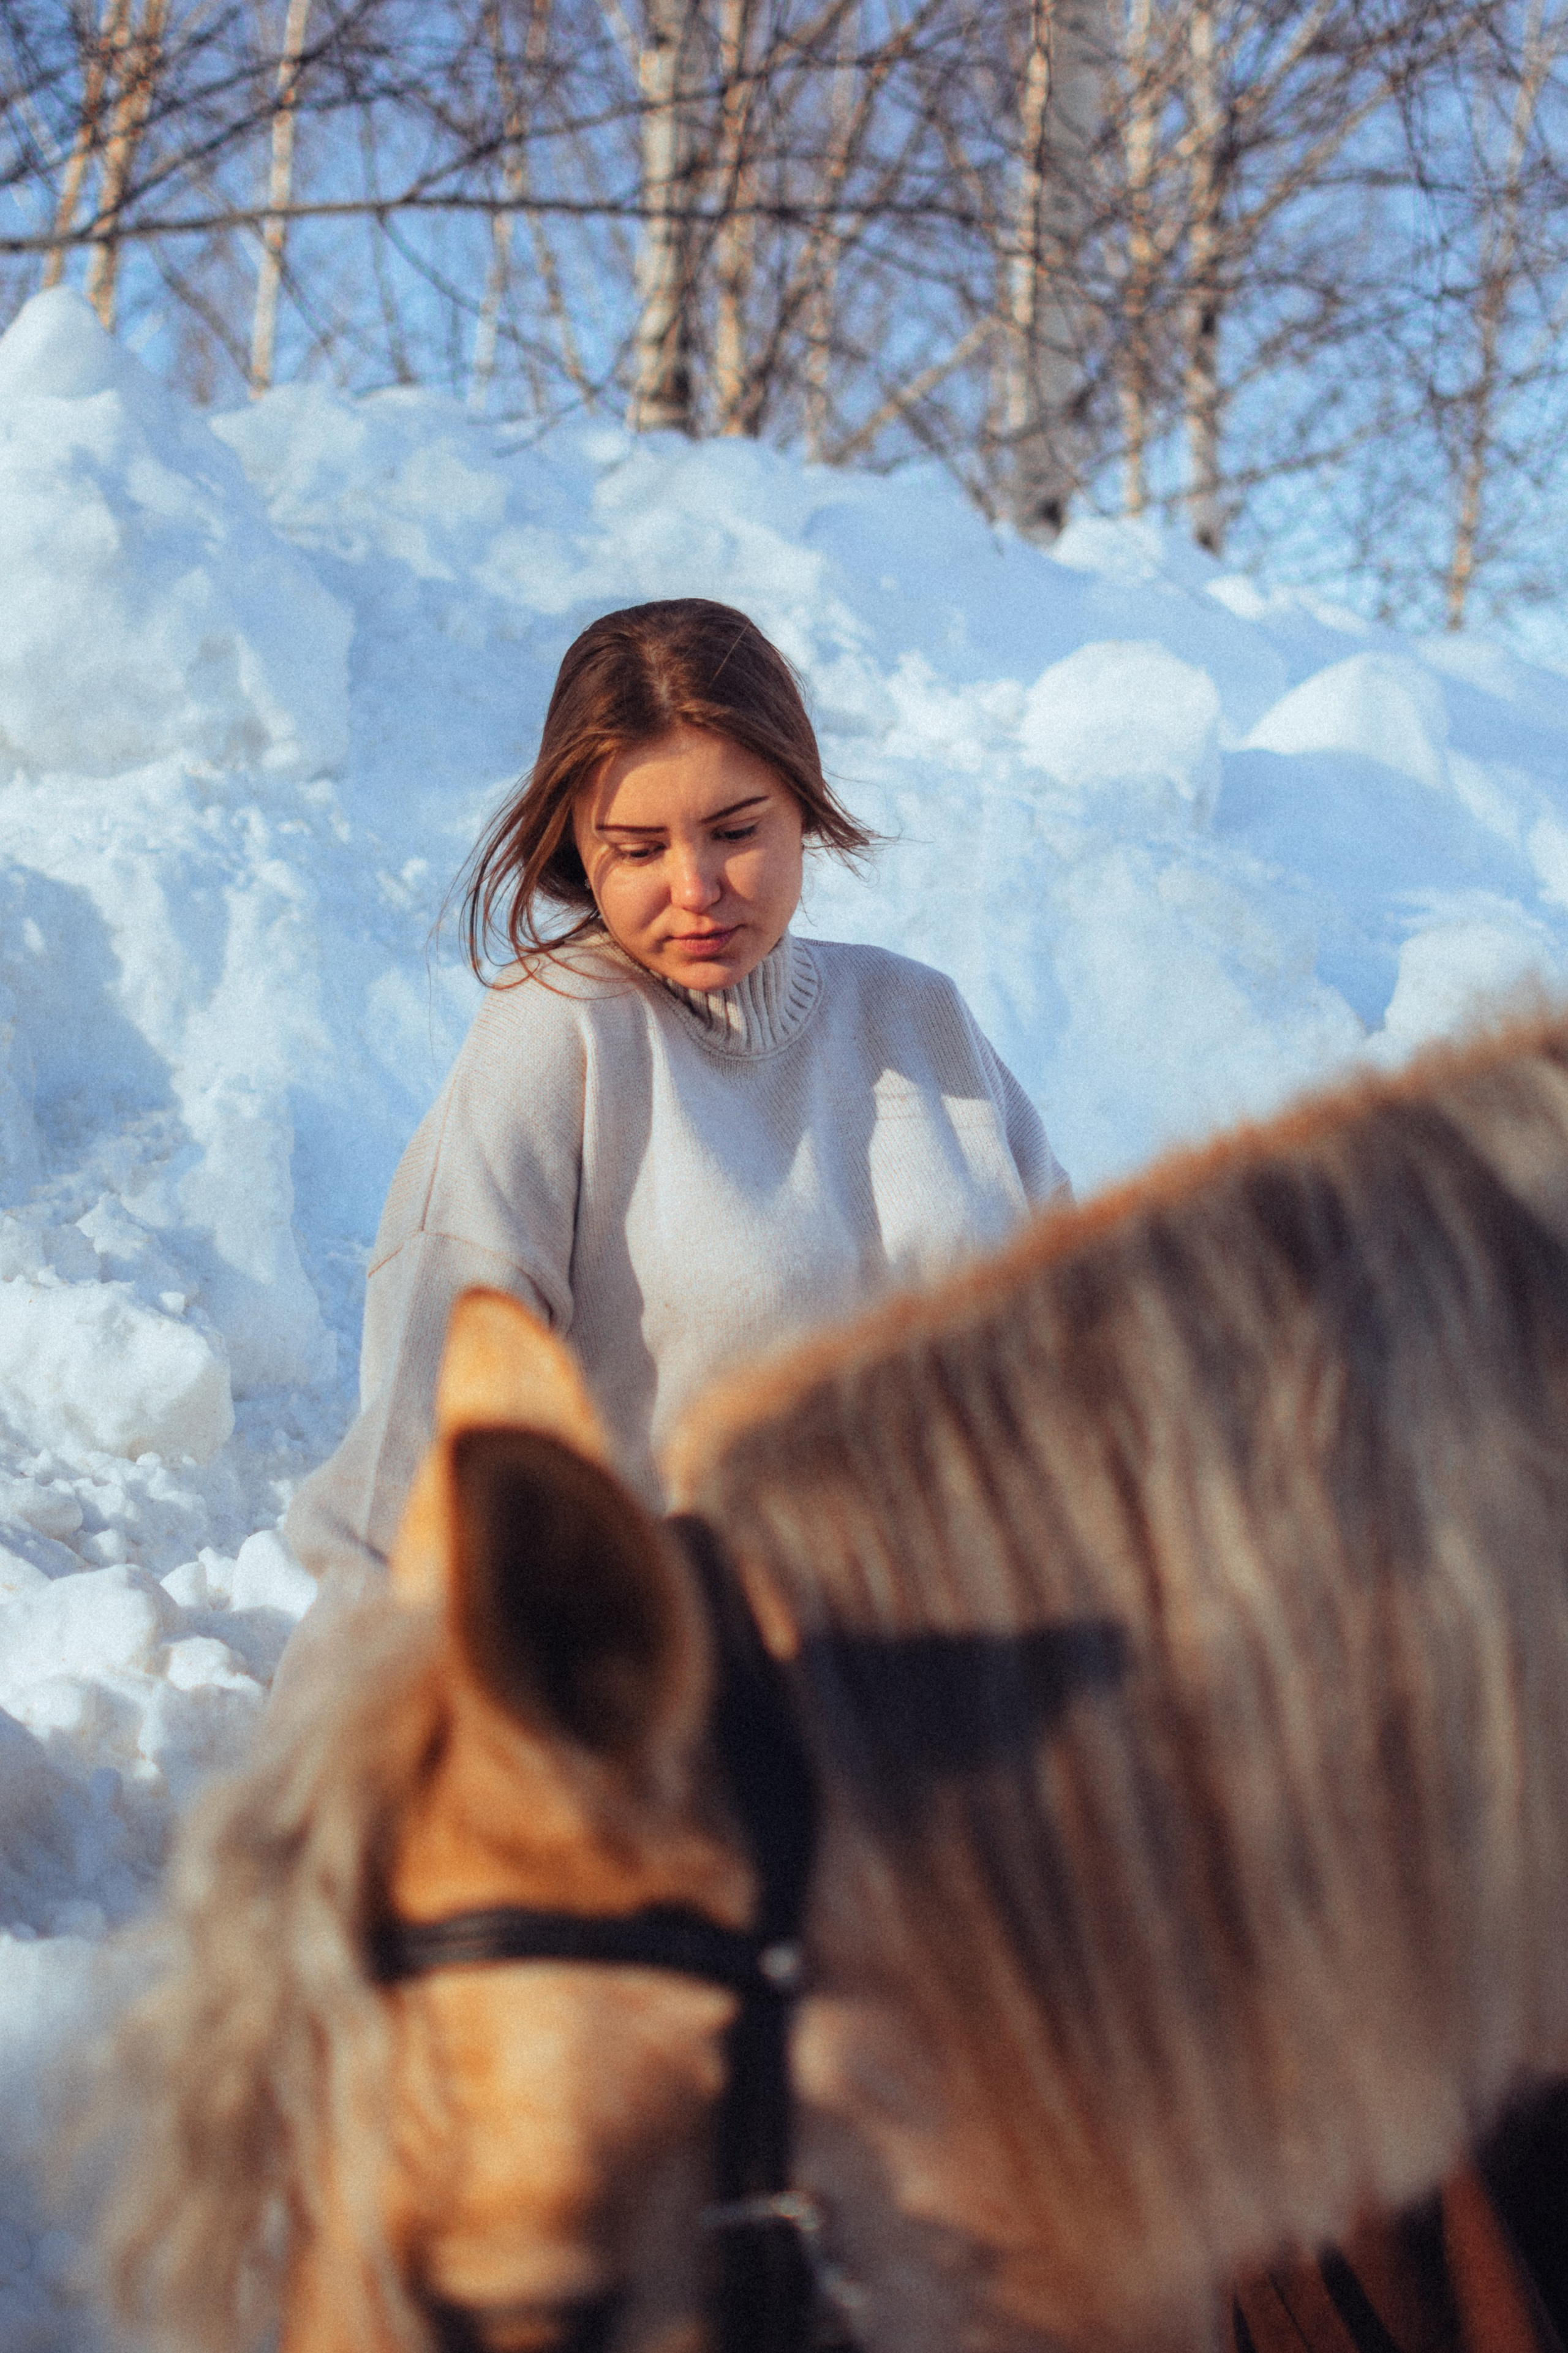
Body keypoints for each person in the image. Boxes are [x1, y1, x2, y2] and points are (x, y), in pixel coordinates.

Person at [285, 597, 1069, 1585]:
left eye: (736, 829)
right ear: (577, 846)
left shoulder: (918, 1018)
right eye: (640, 849)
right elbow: (420, 1438)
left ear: (801, 806)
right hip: (687, 1673)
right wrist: (355, 1708)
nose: (696, 887)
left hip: (980, 1650)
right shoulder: (558, 1030)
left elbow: (1084, 1346)